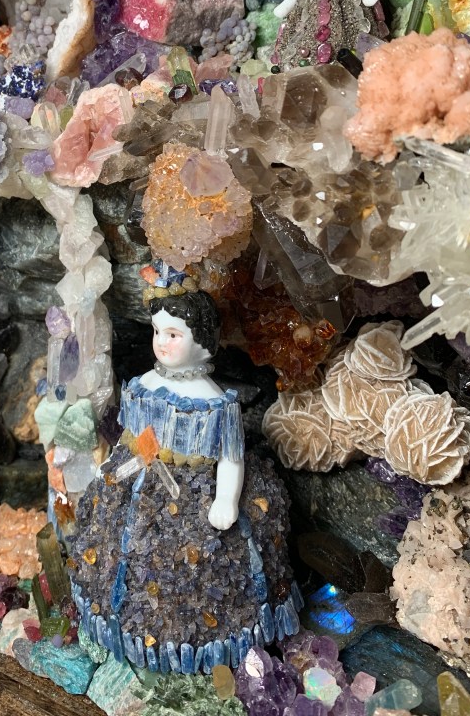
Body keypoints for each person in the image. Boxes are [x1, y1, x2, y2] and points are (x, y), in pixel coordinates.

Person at [67, 289, 301, 674]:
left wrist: (226, 499)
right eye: (157, 331)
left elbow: (231, 457)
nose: (161, 342)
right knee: (122, 547)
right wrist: (115, 462)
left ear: (203, 341)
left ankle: (199, 642)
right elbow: (134, 437)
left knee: (197, 558)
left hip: (195, 490)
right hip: (140, 478)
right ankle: (126, 626)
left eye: (173, 334)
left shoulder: (216, 403)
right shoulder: (143, 385)